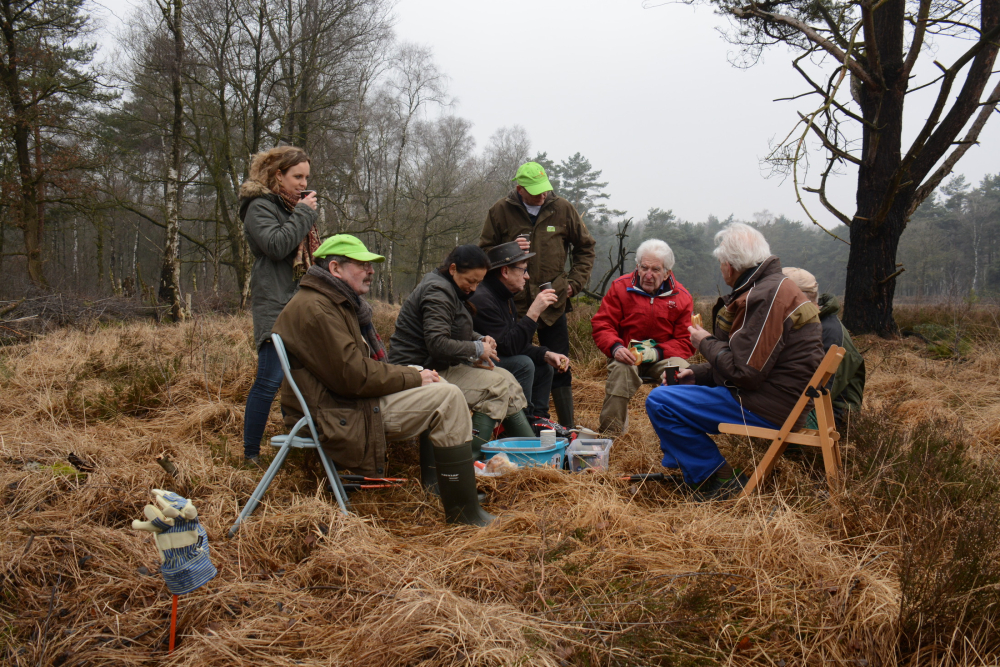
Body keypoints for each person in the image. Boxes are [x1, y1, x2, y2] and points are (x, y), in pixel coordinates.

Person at [272, 235, 493, 527]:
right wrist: (411, 376)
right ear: (336, 268)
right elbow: (354, 376)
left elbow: (354, 371)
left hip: (343, 403)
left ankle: (444, 489)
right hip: (339, 413)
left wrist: (413, 375)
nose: (371, 270)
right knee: (449, 396)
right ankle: (464, 512)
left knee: (436, 383)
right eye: (363, 265)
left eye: (371, 265)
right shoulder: (318, 309)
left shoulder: (330, 301)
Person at [645, 223, 824, 500]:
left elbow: (746, 373)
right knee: (670, 392)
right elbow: (753, 362)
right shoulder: (775, 289)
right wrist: (697, 374)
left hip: (768, 408)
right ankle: (693, 467)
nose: (721, 268)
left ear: (729, 265)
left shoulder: (766, 297)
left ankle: (716, 478)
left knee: (660, 401)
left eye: (720, 263)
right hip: (777, 398)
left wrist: (704, 342)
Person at [389, 245, 536, 460]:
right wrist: (477, 349)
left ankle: (532, 455)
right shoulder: (437, 291)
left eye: (478, 282)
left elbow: (453, 328)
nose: (474, 288)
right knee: (495, 388)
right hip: (418, 370)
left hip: (438, 365)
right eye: (471, 281)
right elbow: (437, 343)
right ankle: (466, 464)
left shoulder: (449, 286)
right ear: (453, 269)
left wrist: (478, 338)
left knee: (508, 381)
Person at [479, 161, 596, 428]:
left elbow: (586, 247)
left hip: (554, 302)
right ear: (519, 188)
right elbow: (483, 254)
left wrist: (574, 283)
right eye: (535, 191)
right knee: (522, 359)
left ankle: (567, 428)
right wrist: (507, 248)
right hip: (514, 304)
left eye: (545, 189)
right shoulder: (500, 211)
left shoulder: (562, 208)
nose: (542, 195)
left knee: (560, 364)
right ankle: (525, 421)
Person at [240, 145, 320, 465]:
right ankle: (250, 455)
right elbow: (276, 246)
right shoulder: (258, 206)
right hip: (274, 301)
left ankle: (303, 444)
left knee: (306, 377)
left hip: (302, 302)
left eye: (306, 177)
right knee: (270, 378)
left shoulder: (292, 206)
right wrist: (303, 214)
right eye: (296, 176)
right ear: (278, 175)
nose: (303, 183)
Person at [591, 239, 695, 434]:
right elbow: (602, 324)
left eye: (656, 269)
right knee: (622, 371)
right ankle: (611, 436)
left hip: (663, 358)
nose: (648, 275)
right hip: (626, 355)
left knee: (682, 373)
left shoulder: (681, 297)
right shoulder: (620, 287)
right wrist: (616, 347)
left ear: (667, 273)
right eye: (644, 268)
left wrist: (656, 353)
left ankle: (681, 433)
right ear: (637, 267)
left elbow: (686, 340)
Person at [469, 241, 570, 422]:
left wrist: (545, 354)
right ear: (505, 271)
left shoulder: (504, 297)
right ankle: (520, 423)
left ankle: (539, 421)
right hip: (471, 365)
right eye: (523, 270)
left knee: (543, 366)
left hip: (494, 359)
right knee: (523, 363)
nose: (528, 276)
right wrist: (533, 312)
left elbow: (515, 343)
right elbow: (508, 347)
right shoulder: (483, 299)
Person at [782, 267, 866, 429]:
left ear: (795, 300)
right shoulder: (804, 323)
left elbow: (820, 394)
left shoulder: (829, 333)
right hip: (810, 407)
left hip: (833, 417)